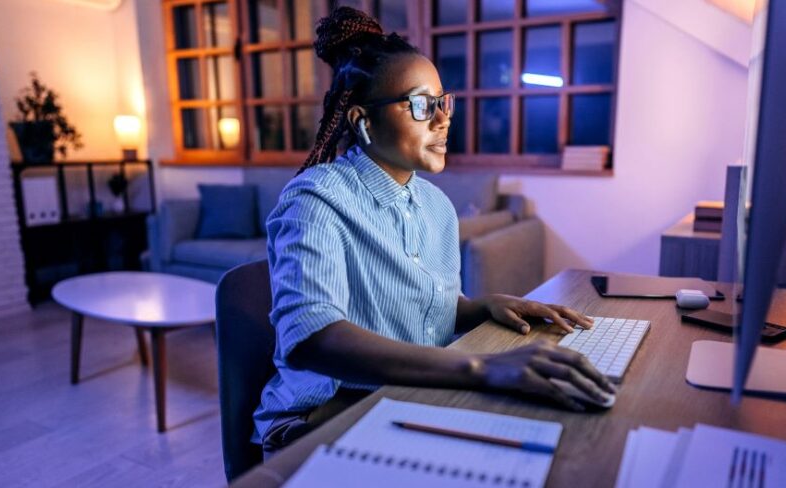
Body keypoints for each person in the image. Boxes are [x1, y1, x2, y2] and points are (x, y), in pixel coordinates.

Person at [254, 6, 615, 458]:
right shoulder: (315, 200)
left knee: (557, 441)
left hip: (409, 394)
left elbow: (419, 312)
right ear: (363, 120)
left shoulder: (436, 205)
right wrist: (482, 366)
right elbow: (313, 338)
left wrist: (480, 307)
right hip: (326, 414)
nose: (443, 119)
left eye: (443, 101)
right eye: (421, 105)